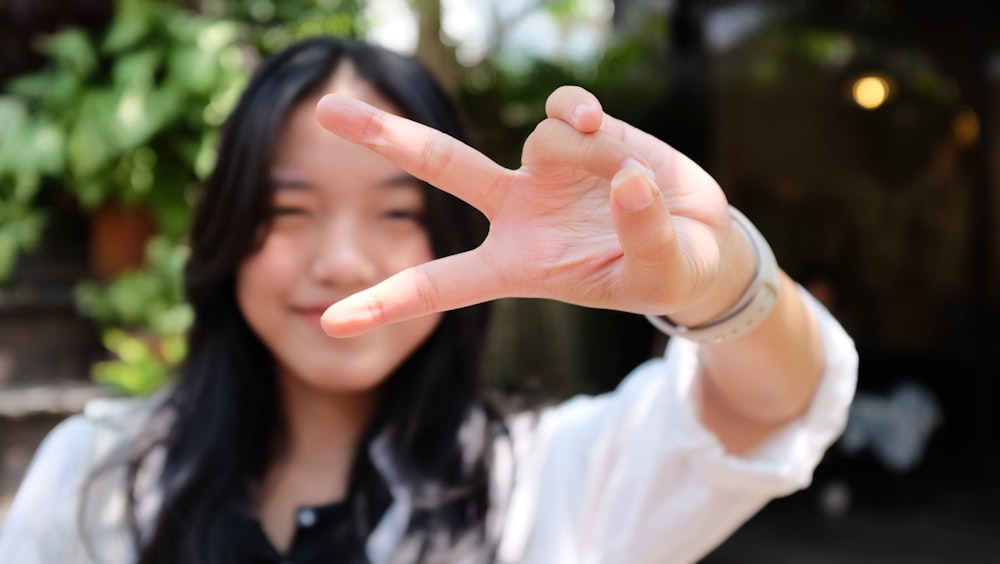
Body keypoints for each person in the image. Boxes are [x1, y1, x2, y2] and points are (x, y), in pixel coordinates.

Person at [0, 36, 857, 564]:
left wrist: (723, 283)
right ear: (227, 233)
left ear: (454, 232)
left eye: (396, 213)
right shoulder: (97, 477)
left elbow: (772, 407)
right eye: (289, 211)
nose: (339, 261)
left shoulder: (549, 481)